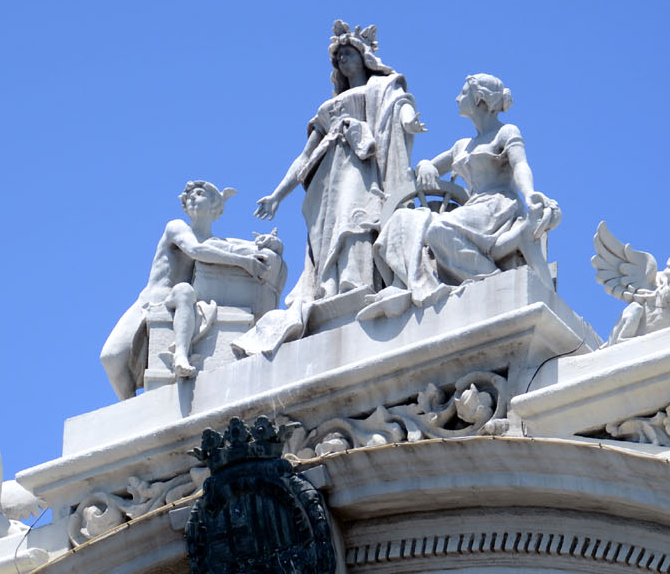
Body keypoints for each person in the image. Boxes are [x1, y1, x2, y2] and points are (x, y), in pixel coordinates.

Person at [240, 22, 424, 354]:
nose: (343, 61)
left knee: (355, 219)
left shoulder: (380, 88)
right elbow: (304, 156)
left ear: (364, 56)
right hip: (328, 177)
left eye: (348, 53)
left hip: (362, 166)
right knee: (330, 230)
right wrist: (277, 195)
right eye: (338, 57)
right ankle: (330, 288)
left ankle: (356, 281)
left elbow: (400, 104)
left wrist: (409, 121)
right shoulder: (327, 110)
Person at [367, 73, 560, 317]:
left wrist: (530, 193)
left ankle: (491, 279)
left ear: (479, 98)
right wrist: (426, 164)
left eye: (464, 92)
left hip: (498, 207)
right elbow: (431, 167)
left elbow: (520, 164)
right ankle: (409, 283)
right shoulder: (462, 146)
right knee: (404, 220)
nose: (458, 98)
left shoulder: (506, 132)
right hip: (473, 208)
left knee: (439, 229)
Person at [100, 182, 282, 399]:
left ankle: (180, 357)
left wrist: (272, 244)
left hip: (179, 298)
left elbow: (246, 247)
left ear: (216, 206)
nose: (191, 198)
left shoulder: (216, 242)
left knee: (184, 291)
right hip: (149, 301)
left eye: (199, 193)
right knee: (111, 357)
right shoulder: (176, 227)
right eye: (188, 196)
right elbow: (197, 250)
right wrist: (244, 262)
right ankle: (129, 406)